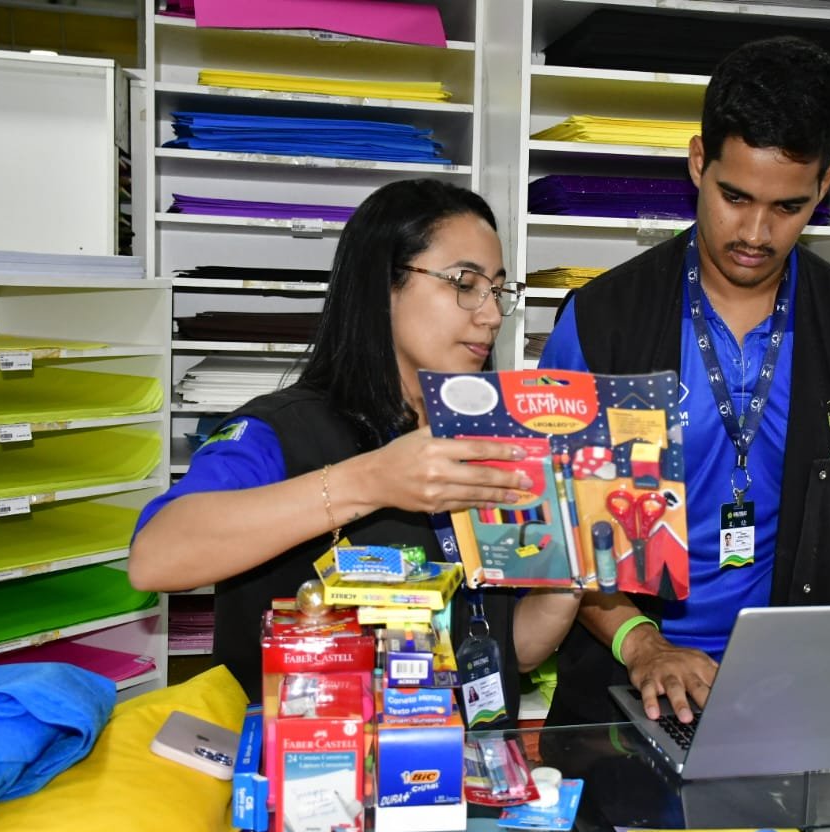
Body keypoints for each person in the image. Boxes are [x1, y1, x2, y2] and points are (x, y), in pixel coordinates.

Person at [537, 36, 830, 726]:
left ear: (825, 186)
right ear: (698, 162)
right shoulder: (602, 322)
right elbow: (563, 529)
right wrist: (643, 643)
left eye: (788, 207)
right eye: (735, 196)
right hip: (626, 691)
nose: (755, 232)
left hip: (799, 688)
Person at [129, 179, 579, 721]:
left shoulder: (485, 440)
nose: (491, 315)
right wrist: (368, 481)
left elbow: (506, 652)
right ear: (381, 285)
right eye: (465, 283)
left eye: (498, 291)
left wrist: (576, 570)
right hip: (313, 762)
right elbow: (154, 558)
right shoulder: (282, 429)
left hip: (454, 761)